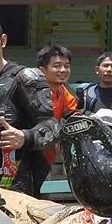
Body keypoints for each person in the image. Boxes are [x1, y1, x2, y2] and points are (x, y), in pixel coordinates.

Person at [0, 16, 58, 197]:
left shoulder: (26, 78)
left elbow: (53, 127)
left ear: (3, 40)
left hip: (18, 183)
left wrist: (25, 137)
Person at [35, 45, 78, 180]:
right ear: (42, 70)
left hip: (48, 156)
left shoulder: (63, 90)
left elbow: (74, 115)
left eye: (67, 66)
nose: (63, 70)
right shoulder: (31, 92)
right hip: (27, 156)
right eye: (57, 66)